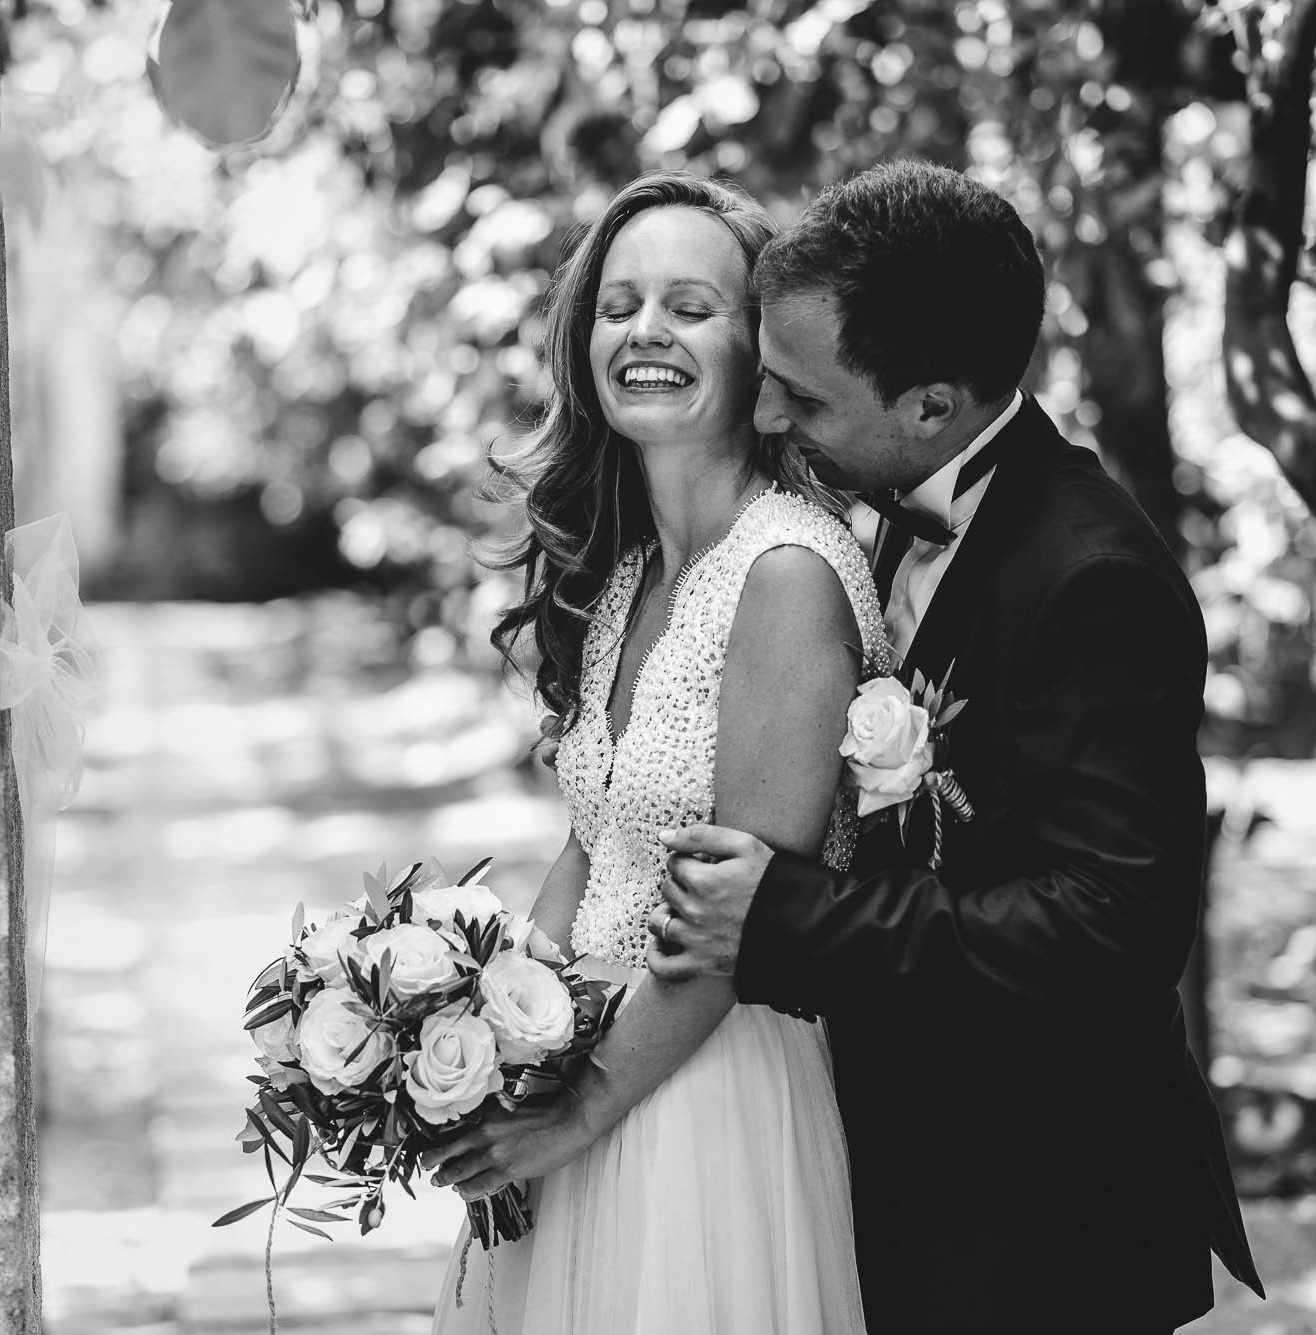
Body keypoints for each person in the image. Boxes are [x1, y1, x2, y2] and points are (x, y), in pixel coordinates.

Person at [648, 159, 1265, 1333]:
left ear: (930, 408)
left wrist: (788, 916)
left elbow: (1110, 928)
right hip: (895, 1169)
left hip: (1036, 1218)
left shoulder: (1094, 579)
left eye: (804, 398)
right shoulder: (867, 508)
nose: (766, 417)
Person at [423, 171, 882, 1333]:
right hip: (582, 1068)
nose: (644, 332)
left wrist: (578, 1109)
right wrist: (485, 1027)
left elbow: (736, 924)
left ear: (757, 354)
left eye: (689, 306)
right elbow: (596, 845)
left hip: (704, 1091)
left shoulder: (786, 574)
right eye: (618, 305)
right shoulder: (629, 571)